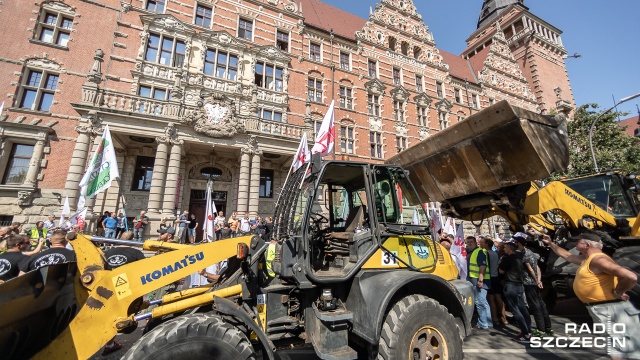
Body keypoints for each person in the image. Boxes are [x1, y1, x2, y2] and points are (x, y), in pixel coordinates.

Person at [543, 232, 640, 359]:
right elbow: (567, 255)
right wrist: (550, 243)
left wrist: (618, 292)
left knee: (618, 349)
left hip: (609, 309)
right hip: (603, 308)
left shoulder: (599, 260)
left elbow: (630, 276)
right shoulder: (587, 260)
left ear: (587, 244)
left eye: (578, 241)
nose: (575, 243)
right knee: (622, 347)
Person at [102, 231, 145, 355]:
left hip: (106, 287)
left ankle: (108, 341)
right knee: (119, 315)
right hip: (124, 286)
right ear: (132, 239)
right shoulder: (136, 253)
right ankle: (109, 343)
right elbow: (142, 271)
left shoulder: (107, 252)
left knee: (108, 315)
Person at [514, 232, 552, 336]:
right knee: (541, 304)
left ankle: (541, 329)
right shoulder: (530, 252)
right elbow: (537, 268)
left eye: (515, 241)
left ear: (519, 243)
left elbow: (531, 270)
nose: (514, 243)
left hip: (529, 283)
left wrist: (536, 280)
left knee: (535, 306)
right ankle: (548, 327)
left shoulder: (524, 254)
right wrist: (539, 280)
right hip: (534, 282)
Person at [499, 241, 532, 341]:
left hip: (511, 285)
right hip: (519, 285)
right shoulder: (519, 257)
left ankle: (525, 332)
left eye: (505, 248)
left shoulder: (507, 258)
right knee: (523, 308)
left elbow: (501, 271)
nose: (504, 249)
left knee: (515, 309)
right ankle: (529, 331)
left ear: (510, 249)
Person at [466, 235, 493, 329]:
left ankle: (483, 323)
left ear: (476, 243)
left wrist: (480, 280)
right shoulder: (471, 252)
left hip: (479, 280)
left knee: (480, 302)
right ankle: (488, 322)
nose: (469, 244)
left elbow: (482, 267)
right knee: (483, 302)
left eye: (471, 242)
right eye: (468, 242)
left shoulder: (479, 251)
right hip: (476, 280)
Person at [481, 236, 508, 327]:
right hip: (496, 277)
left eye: (483, 243)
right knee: (499, 298)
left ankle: (495, 318)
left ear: (487, 245)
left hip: (490, 278)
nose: (481, 244)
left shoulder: (486, 253)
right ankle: (504, 318)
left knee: (491, 299)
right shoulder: (495, 253)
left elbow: (485, 267)